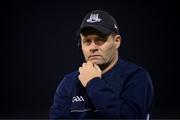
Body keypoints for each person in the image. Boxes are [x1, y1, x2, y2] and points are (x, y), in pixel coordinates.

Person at [49, 10, 154, 119]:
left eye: (100, 40)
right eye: (87, 41)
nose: (92, 47)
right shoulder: (69, 83)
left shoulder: (136, 77)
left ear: (117, 41)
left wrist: (93, 83)